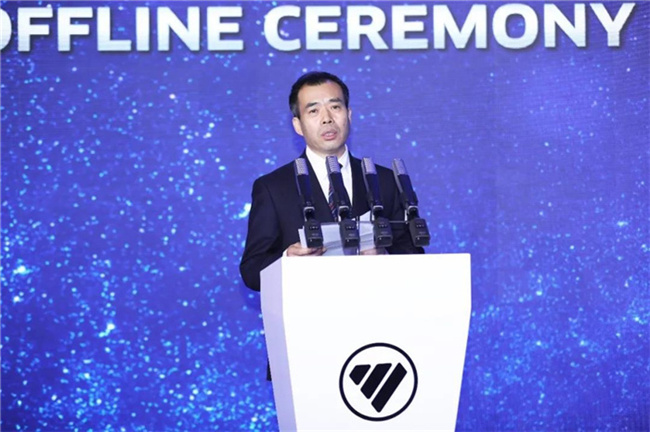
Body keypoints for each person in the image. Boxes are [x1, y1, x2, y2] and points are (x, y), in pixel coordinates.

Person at [240, 71, 423, 292]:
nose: (327, 118)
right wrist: (287, 260)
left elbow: (415, 255)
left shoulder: (383, 180)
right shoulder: (273, 187)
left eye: (335, 107)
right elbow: (252, 271)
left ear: (349, 115)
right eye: (314, 111)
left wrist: (385, 257)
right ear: (298, 125)